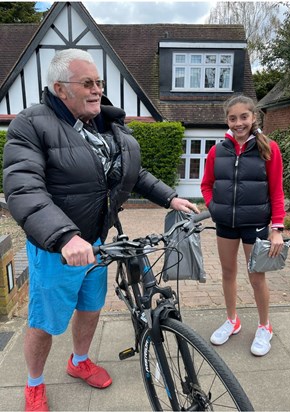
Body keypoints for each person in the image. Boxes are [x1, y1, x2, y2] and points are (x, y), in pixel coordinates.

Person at [3, 48, 199, 412]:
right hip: (56, 247)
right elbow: (24, 189)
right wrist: (64, 236)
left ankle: (78, 362)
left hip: (95, 241)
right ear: (60, 89)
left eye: (100, 83)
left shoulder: (105, 125)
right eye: (88, 83)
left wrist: (171, 198)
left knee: (91, 307)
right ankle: (33, 383)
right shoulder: (31, 124)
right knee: (45, 320)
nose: (97, 90)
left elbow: (131, 173)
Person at [201, 95, 285, 357]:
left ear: (253, 117)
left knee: (256, 277)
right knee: (228, 273)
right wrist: (214, 207)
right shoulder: (218, 151)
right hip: (226, 224)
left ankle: (264, 326)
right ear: (227, 120)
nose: (238, 123)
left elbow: (277, 192)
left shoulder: (268, 148)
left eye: (243, 117)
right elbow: (206, 184)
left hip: (256, 224)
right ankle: (232, 320)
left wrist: (277, 229)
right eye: (233, 118)